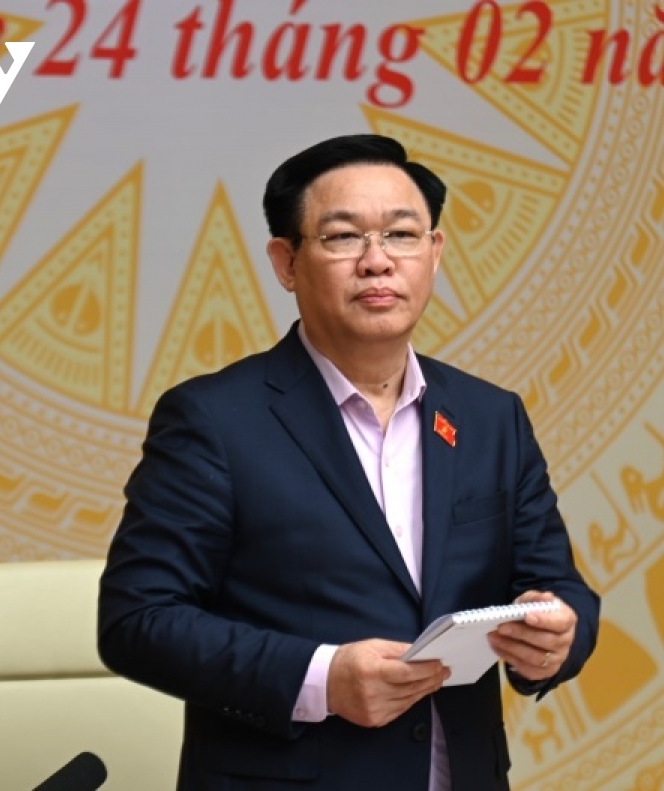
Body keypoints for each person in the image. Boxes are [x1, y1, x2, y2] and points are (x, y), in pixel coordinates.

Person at [98, 134, 601, 790]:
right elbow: (138, 619)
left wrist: (559, 637)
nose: (377, 261)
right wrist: (321, 678)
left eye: (402, 235)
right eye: (342, 237)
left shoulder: (490, 417)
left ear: (435, 252)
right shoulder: (214, 420)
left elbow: (558, 586)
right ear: (286, 262)